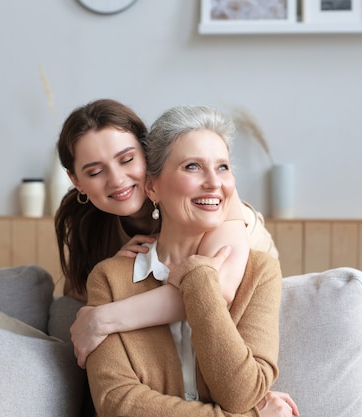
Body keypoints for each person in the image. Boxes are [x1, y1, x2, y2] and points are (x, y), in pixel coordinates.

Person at [85, 104, 297, 417]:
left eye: (223, 167)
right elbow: (118, 405)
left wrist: (198, 278)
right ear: (152, 187)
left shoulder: (260, 272)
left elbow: (240, 393)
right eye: (192, 167)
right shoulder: (109, 279)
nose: (214, 182)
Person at [55, 99, 279, 367]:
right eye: (95, 172)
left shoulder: (210, 199)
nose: (116, 179)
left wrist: (105, 318)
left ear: (148, 154)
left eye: (127, 159)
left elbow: (213, 292)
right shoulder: (89, 222)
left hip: (251, 330)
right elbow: (74, 297)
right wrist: (114, 275)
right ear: (76, 181)